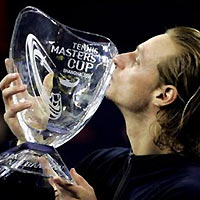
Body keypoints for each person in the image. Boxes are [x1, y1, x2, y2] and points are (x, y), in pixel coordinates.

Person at [1, 26, 200, 200]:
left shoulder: (188, 190)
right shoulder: (102, 165)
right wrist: (32, 139)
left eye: (137, 60)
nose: (118, 59)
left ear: (164, 95)